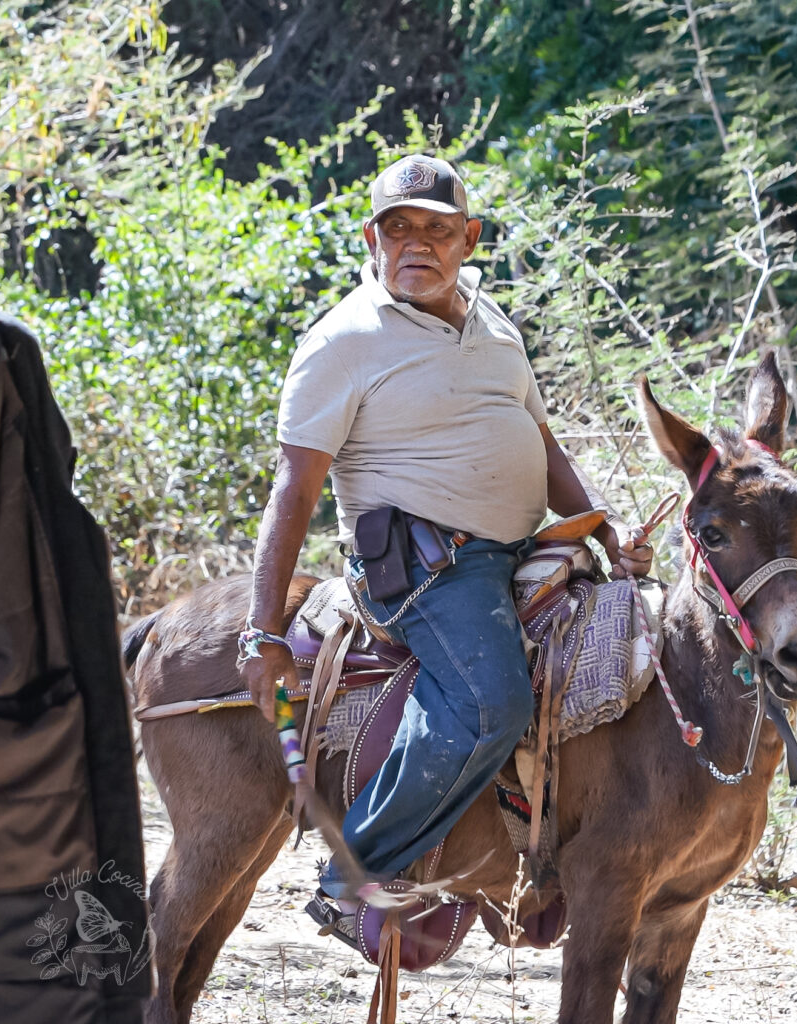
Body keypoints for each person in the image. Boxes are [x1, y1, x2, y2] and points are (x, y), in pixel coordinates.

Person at [238, 155, 652, 938]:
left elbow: (541, 443)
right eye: (399, 229)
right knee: (493, 701)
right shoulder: (342, 340)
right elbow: (292, 490)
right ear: (373, 237)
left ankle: (568, 854)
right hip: (427, 567)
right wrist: (263, 634)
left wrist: (604, 527)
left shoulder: (495, 325)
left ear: (470, 238)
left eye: (436, 229)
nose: (416, 245)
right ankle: (353, 874)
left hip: (523, 546)